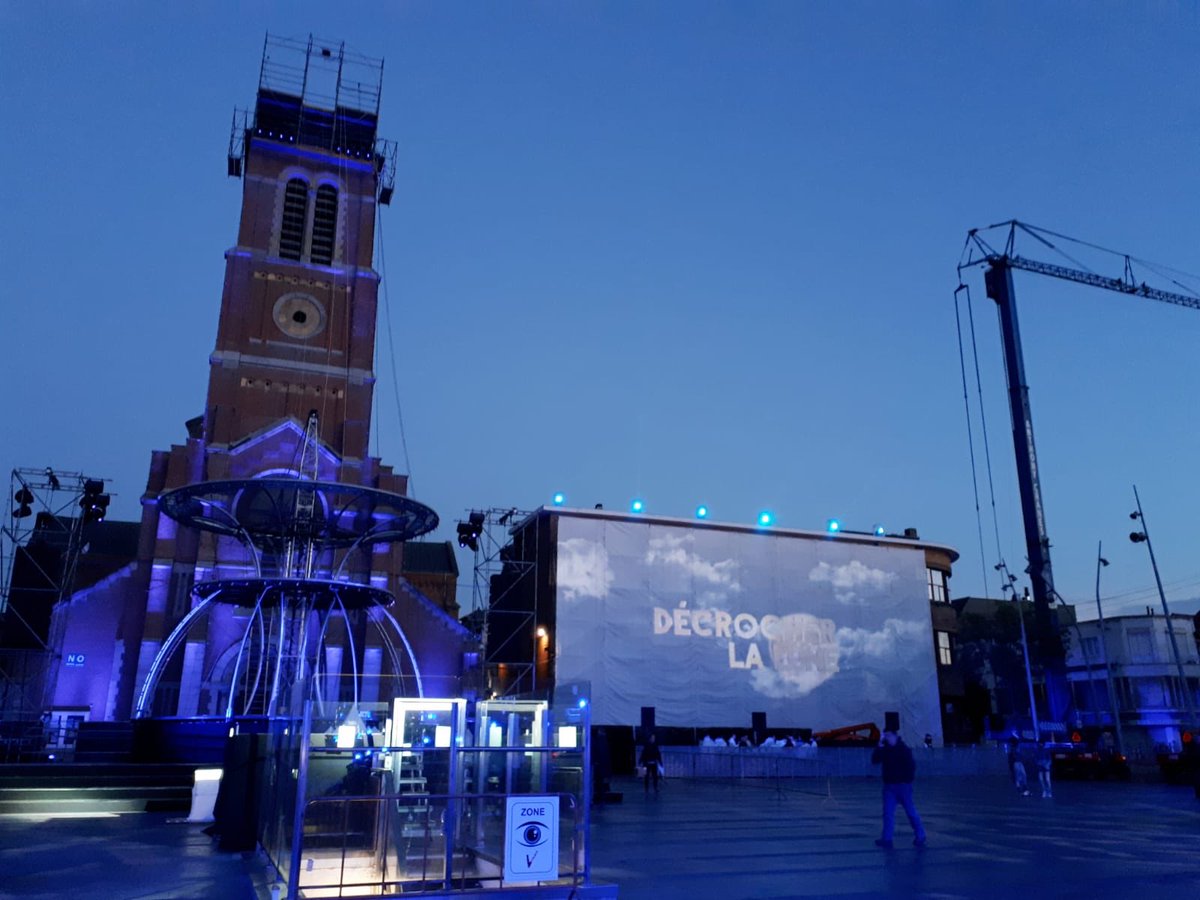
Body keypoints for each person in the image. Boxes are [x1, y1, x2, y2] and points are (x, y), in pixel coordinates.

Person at [870, 729, 927, 849]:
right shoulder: (886, 748)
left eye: (888, 736)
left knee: (910, 812)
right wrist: (879, 746)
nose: (886, 738)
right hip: (890, 785)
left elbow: (911, 766)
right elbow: (875, 760)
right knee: (888, 813)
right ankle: (887, 839)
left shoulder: (904, 749)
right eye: (885, 736)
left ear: (894, 736)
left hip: (902, 785)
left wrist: (906, 780)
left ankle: (920, 835)